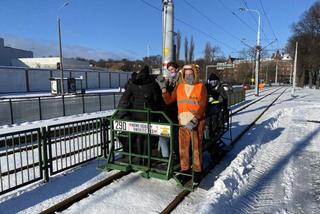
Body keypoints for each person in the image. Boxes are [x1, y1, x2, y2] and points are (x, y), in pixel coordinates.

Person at [158, 64, 207, 175]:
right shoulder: (179, 87)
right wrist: (164, 89)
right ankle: (185, 169)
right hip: (183, 122)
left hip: (196, 123)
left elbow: (203, 105)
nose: (188, 76)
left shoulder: (200, 86)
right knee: (183, 148)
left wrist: (196, 119)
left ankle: (197, 170)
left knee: (196, 148)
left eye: (190, 74)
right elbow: (169, 100)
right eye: (186, 74)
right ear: (183, 75)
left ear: (194, 74)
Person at [117, 66, 162, 161]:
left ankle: (137, 156)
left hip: (135, 115)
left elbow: (124, 100)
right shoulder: (153, 84)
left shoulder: (133, 84)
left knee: (137, 135)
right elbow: (158, 100)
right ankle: (145, 158)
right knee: (147, 137)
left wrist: (121, 114)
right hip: (149, 115)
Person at [156, 61, 181, 159]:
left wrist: (164, 89)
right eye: (169, 70)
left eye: (172, 69)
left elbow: (170, 100)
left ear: (177, 69)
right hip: (168, 112)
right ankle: (167, 157)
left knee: (174, 136)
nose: (171, 71)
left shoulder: (180, 81)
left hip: (175, 112)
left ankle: (175, 157)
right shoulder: (170, 80)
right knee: (165, 135)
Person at [205, 73, 228, 140]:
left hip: (217, 107)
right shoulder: (206, 87)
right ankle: (208, 134)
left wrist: (224, 108)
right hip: (208, 108)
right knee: (207, 120)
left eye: (214, 81)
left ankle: (214, 133)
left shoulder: (220, 88)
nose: (213, 83)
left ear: (217, 81)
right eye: (211, 81)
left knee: (215, 119)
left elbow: (224, 98)